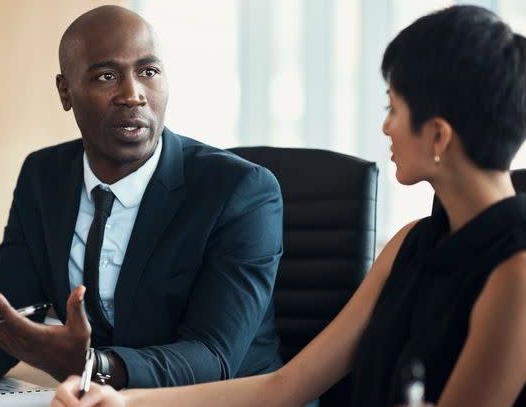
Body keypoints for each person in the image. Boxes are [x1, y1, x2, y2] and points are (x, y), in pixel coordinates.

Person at [53, 5, 526, 406]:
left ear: (439, 134)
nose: (385, 129)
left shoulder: (517, 273)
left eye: (393, 110)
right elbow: (289, 385)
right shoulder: (411, 244)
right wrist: (122, 399)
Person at [0, 5, 284, 390]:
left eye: (148, 72)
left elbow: (214, 355)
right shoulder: (45, 177)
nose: (133, 95)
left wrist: (95, 366)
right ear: (65, 90)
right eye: (106, 76)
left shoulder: (240, 190)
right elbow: (4, 321)